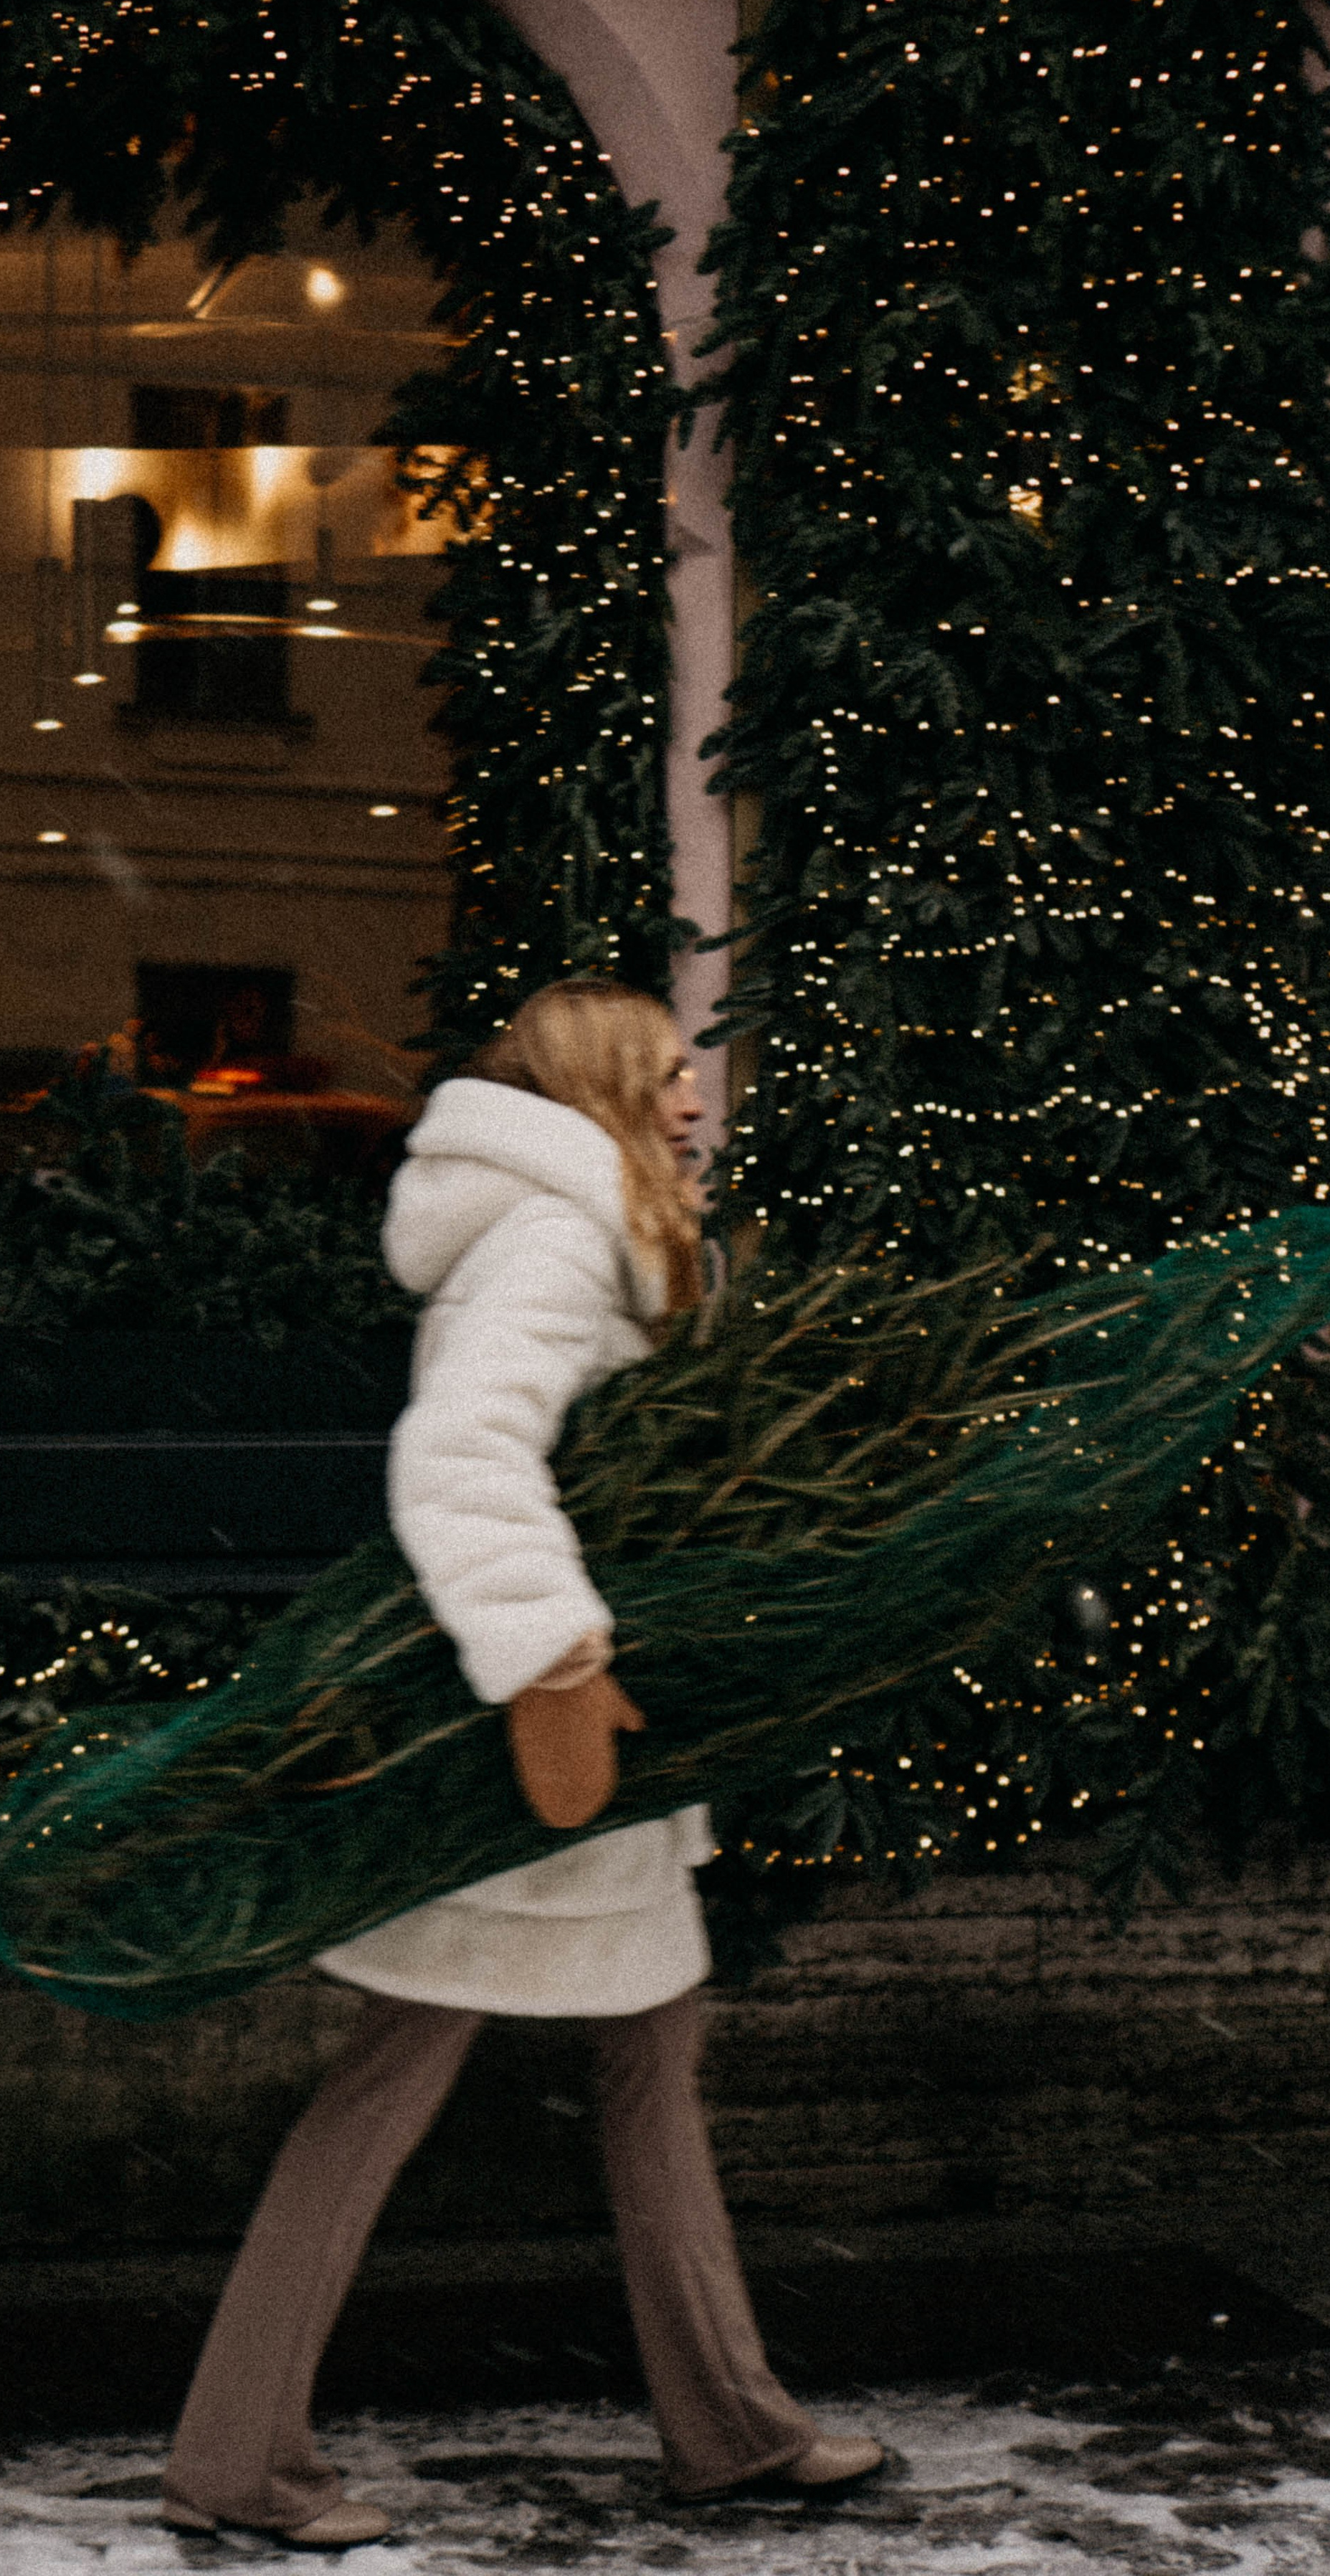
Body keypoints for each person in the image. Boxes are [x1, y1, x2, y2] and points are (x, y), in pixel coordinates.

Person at [160, 979, 886, 2544]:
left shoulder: (603, 1236)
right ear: (601, 1091)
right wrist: (551, 1656)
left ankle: (732, 2425)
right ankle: (235, 2460)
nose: (700, 1103)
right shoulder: (555, 1243)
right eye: (668, 1077)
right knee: (387, 2090)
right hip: (534, 1746)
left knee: (649, 2073)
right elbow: (463, 1450)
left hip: (592, 1756)